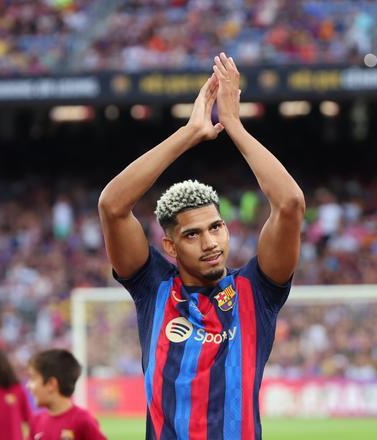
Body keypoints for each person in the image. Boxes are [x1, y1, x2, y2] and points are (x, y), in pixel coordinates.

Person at [98, 52, 305, 440]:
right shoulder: (153, 287)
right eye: (193, 235)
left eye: (216, 227)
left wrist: (234, 127)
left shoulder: (256, 292)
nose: (210, 243)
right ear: (170, 246)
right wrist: (190, 133)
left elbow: (290, 205)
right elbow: (112, 206)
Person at [27, 349, 107, 440]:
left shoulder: (84, 421)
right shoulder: (36, 420)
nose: (28, 386)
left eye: (33, 379)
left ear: (51, 384)